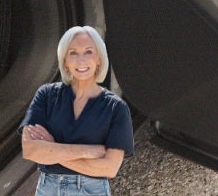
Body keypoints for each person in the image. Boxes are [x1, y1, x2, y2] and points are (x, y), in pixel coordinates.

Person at [19, 26, 134, 196]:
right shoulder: (46, 95)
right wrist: (88, 151)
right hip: (48, 188)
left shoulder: (116, 108)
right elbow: (30, 150)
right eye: (73, 53)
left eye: (88, 52)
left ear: (99, 59)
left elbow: (110, 168)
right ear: (64, 61)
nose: (81, 60)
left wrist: (52, 149)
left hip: (90, 190)